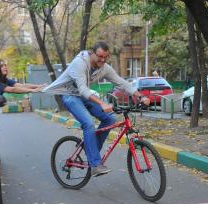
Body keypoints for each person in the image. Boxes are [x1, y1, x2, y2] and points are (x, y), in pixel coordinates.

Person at [43, 41, 150, 177]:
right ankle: (95, 165)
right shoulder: (80, 63)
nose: (103, 60)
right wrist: (102, 104)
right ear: (92, 52)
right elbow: (82, 89)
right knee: (88, 123)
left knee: (110, 119)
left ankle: (91, 150)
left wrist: (140, 96)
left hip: (85, 96)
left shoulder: (104, 67)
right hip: (70, 96)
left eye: (106, 57)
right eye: (100, 56)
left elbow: (121, 82)